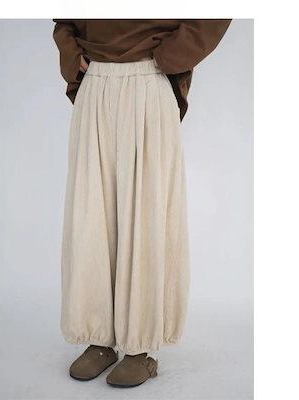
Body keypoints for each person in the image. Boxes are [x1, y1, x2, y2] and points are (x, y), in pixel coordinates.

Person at [52, 19, 231, 388]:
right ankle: (99, 337)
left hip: (149, 78)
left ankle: (141, 347)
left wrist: (167, 56)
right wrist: (72, 53)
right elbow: (64, 20)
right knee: (90, 215)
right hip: (95, 83)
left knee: (145, 216)